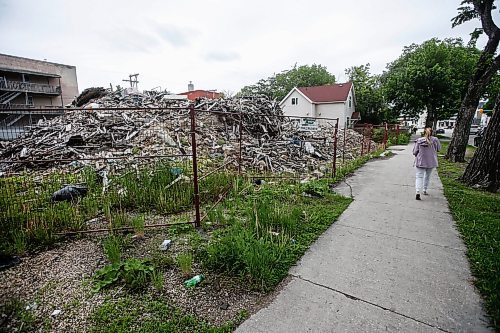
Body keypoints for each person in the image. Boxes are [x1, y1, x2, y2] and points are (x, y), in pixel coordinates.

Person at [412, 127, 441, 200]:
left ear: (423, 133)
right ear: (432, 133)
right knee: (427, 176)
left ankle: (417, 191)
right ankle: (424, 190)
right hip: (431, 161)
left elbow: (414, 152)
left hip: (421, 161)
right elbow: (439, 149)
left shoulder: (419, 140)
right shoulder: (435, 140)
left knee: (419, 176)